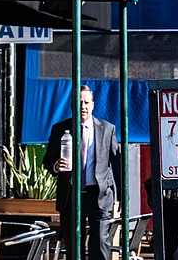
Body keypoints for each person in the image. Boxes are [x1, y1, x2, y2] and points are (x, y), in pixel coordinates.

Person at [43, 85, 120, 260]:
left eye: (86, 102)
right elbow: (47, 161)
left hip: (99, 195)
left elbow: (117, 163)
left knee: (100, 242)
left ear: (93, 105)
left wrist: (122, 198)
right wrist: (56, 165)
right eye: (79, 103)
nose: (83, 107)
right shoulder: (60, 129)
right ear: (72, 105)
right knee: (73, 246)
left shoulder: (107, 129)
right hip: (71, 196)